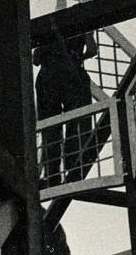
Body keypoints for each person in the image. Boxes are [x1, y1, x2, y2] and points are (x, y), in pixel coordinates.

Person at [35, 28, 111, 189]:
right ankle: (74, 167)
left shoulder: (49, 29)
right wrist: (78, 56)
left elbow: (35, 59)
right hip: (73, 71)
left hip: (47, 75)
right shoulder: (84, 25)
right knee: (78, 121)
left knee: (50, 127)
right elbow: (92, 49)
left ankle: (52, 174)